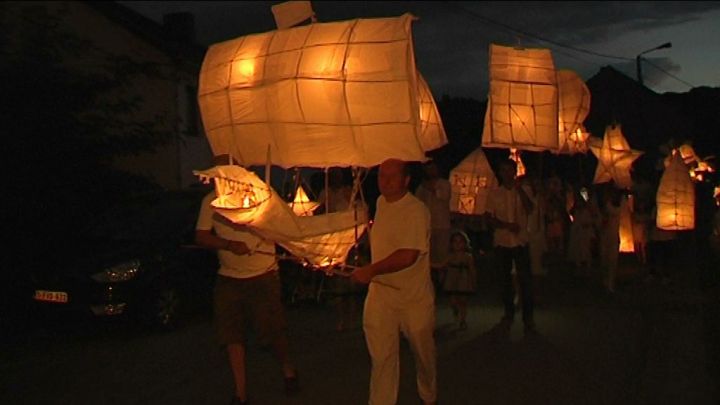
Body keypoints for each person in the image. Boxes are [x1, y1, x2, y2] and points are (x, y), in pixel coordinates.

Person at [195, 171, 299, 405]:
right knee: (232, 334)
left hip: (262, 275)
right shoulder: (211, 201)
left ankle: (287, 368)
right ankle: (240, 393)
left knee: (272, 331)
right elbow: (201, 236)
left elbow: (284, 226)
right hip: (229, 277)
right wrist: (228, 244)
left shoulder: (261, 196)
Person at [351, 159, 437, 405]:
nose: (385, 181)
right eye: (381, 175)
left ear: (406, 180)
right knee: (382, 359)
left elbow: (408, 254)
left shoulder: (416, 210)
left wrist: (371, 270)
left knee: (423, 353)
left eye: (392, 176)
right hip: (381, 295)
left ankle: (428, 394)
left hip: (413, 297)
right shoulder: (379, 204)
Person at [485, 159, 536, 334]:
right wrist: (507, 226)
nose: (506, 174)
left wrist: (519, 189)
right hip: (502, 242)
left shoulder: (524, 190)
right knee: (504, 280)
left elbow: (530, 208)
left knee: (525, 280)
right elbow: (489, 218)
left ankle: (528, 317)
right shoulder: (494, 194)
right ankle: (509, 312)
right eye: (503, 170)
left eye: (509, 170)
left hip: (520, 241)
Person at [318, 168, 360, 331]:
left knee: (351, 279)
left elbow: (356, 210)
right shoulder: (325, 192)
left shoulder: (347, 192)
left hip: (348, 240)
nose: (337, 178)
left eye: (339, 176)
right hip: (333, 240)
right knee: (337, 282)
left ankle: (352, 317)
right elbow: (319, 211)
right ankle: (341, 318)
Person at [415, 160, 452, 290]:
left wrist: (430, 188)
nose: (431, 171)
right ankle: (430, 281)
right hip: (427, 225)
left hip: (442, 224)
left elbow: (443, 196)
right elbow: (417, 203)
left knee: (442, 253)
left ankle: (444, 281)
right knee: (428, 254)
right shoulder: (421, 187)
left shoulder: (444, 184)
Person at [442, 230, 477, 330]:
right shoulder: (450, 256)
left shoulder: (468, 257)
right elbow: (443, 265)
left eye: (460, 242)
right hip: (452, 279)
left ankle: (462, 319)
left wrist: (474, 280)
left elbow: (472, 269)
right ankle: (455, 310)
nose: (457, 244)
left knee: (463, 301)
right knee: (453, 300)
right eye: (455, 242)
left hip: (464, 280)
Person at [599, 186, 622, 293]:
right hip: (605, 236)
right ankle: (605, 281)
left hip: (613, 237)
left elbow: (612, 211)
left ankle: (610, 283)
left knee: (612, 261)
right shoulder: (605, 210)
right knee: (605, 259)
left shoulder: (617, 208)